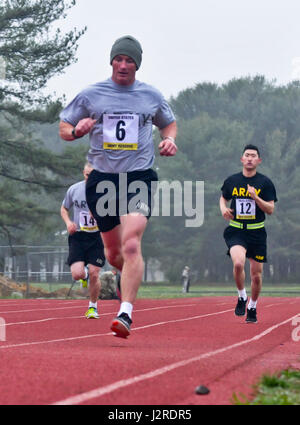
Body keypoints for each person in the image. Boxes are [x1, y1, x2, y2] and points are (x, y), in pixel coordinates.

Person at [59, 35, 177, 337]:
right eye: (119, 59)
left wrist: (169, 139)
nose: (123, 65)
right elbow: (64, 127)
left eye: (129, 60)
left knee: (132, 243)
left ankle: (125, 313)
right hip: (102, 179)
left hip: (138, 176)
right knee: (113, 254)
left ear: (137, 64)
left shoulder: (150, 95)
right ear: (111, 61)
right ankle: (130, 276)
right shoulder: (91, 94)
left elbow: (168, 122)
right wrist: (76, 130)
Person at [219, 144, 277, 323]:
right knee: (238, 263)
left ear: (259, 160)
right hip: (236, 229)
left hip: (257, 232)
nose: (250, 158)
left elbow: (270, 209)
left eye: (253, 156)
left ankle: (252, 307)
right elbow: (223, 197)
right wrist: (223, 209)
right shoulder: (232, 181)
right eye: (247, 155)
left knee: (256, 275)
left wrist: (256, 197)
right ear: (242, 159)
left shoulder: (265, 183)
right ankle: (242, 296)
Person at [61, 162, 106, 319]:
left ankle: (92, 307)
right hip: (78, 236)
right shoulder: (74, 189)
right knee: (77, 274)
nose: (90, 178)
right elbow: (64, 208)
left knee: (95, 273)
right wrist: (68, 223)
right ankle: (84, 276)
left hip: (97, 236)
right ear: (83, 173)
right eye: (87, 175)